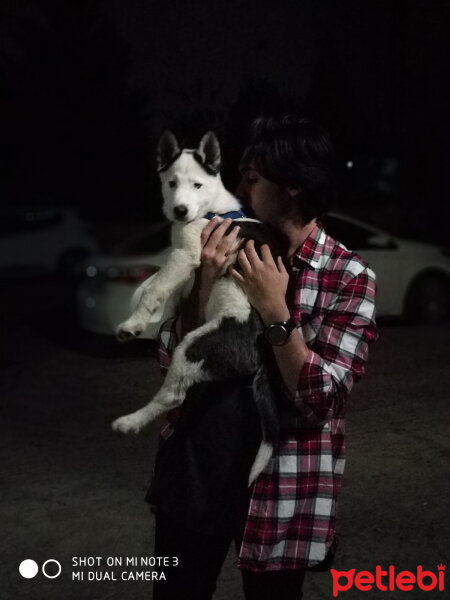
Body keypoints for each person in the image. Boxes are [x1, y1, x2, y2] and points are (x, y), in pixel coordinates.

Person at [150, 115, 378, 600]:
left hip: (284, 483)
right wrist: (205, 283)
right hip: (199, 468)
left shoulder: (348, 276)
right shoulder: (221, 244)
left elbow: (322, 402)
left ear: (294, 184)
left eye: (251, 178)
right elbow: (172, 363)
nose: (236, 189)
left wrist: (276, 310)